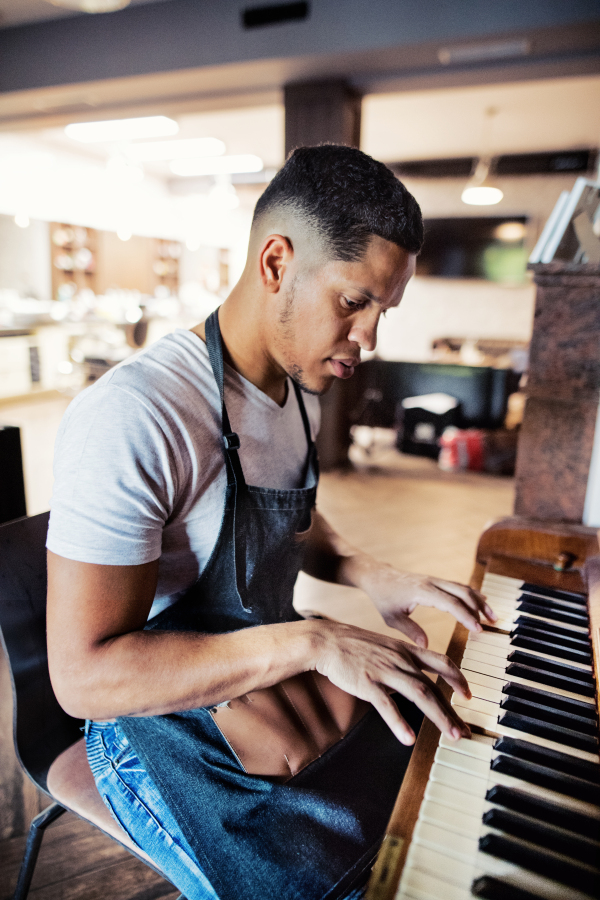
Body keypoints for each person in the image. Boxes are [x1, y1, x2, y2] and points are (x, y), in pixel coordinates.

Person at [46, 145, 495, 900]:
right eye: (355, 303)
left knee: (431, 755)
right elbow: (84, 678)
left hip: (258, 669)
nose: (371, 339)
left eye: (384, 311)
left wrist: (364, 571)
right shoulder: (139, 415)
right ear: (277, 262)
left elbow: (277, 517)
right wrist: (313, 639)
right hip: (150, 725)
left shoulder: (296, 388)